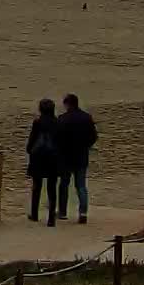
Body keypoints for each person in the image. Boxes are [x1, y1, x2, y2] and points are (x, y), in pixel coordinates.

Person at [54, 93, 99, 223]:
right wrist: (86, 146)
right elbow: (94, 136)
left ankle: (62, 212)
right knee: (81, 186)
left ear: (67, 104)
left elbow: (57, 138)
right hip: (81, 155)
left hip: (66, 157)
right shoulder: (86, 117)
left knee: (64, 184)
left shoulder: (62, 119)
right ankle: (83, 212)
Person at [26, 98, 61, 226]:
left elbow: (32, 140)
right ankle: (51, 218)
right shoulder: (57, 122)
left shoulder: (38, 122)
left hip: (39, 157)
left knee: (37, 187)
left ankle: (34, 214)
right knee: (52, 188)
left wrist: (30, 150)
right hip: (53, 158)